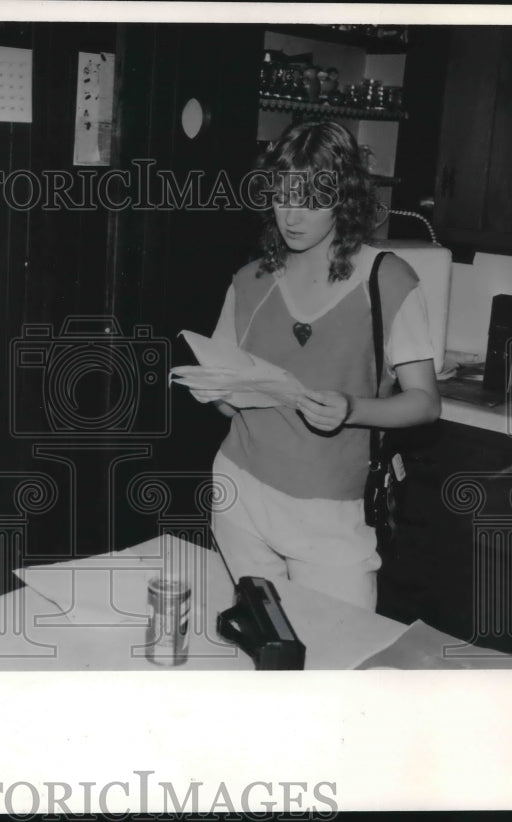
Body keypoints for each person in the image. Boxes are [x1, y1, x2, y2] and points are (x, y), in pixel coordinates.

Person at [198, 121, 441, 610]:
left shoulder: (388, 279)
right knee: (261, 644)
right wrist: (217, 391)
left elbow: (425, 403)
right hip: (239, 493)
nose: (293, 215)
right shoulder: (250, 279)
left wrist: (352, 408)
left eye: (312, 200)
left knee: (339, 654)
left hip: (331, 509)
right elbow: (226, 398)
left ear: (344, 201)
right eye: (283, 196)